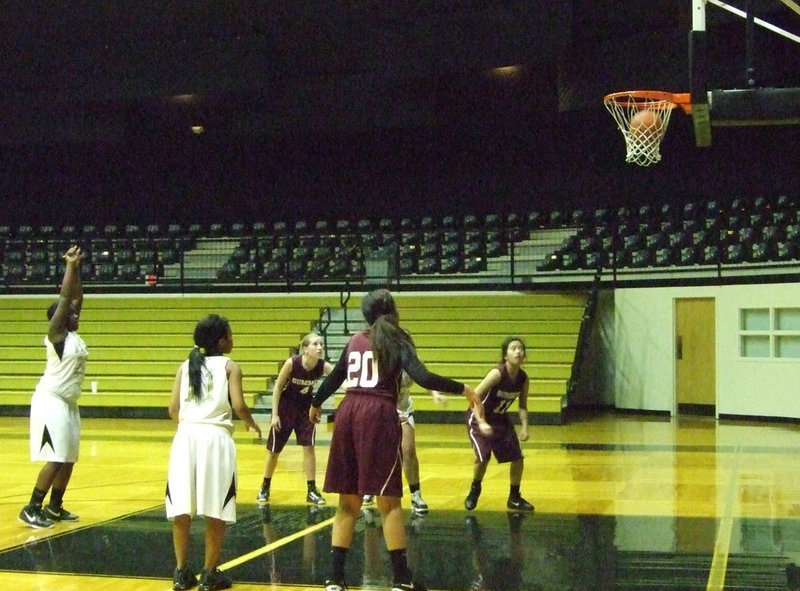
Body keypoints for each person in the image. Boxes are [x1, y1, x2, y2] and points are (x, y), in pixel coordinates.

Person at [309, 288, 492, 591]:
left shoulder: (355, 340)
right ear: (392, 310)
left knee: (347, 501)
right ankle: (401, 579)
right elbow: (424, 377)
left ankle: (335, 579)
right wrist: (465, 389)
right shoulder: (397, 339)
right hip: (378, 412)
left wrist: (315, 403)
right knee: (389, 501)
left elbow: (335, 378)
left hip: (348, 412)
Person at [166, 314, 262, 591]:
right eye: (230, 335)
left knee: (181, 509)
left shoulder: (185, 366)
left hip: (185, 437)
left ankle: (181, 572)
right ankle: (209, 573)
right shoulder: (231, 366)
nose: (233, 339)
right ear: (221, 341)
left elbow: (172, 409)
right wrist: (252, 424)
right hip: (215, 439)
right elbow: (240, 406)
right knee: (215, 508)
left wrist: (189, 427)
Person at [19, 245, 86, 530]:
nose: (76, 314)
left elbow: (77, 296)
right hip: (51, 401)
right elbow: (66, 297)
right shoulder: (56, 334)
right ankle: (31, 507)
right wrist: (69, 266)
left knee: (69, 458)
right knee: (56, 458)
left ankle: (55, 506)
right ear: (59, 318)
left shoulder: (72, 333)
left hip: (69, 403)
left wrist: (79, 269)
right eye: (70, 313)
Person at [257, 332, 333, 506]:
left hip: (306, 409)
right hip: (286, 407)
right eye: (315, 344)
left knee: (309, 447)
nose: (320, 347)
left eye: (321, 344)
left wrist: (353, 389)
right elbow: (277, 388)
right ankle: (265, 486)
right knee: (274, 450)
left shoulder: (322, 365)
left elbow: (338, 377)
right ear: (305, 348)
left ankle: (312, 490)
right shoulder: (292, 363)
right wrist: (274, 414)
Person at [464, 336, 533, 512]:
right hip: (479, 416)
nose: (518, 351)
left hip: (501, 419)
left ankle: (514, 497)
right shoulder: (497, 374)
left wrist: (524, 427)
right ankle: (475, 489)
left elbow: (523, 405)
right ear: (505, 355)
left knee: (518, 458)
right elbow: (473, 397)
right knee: (483, 458)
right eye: (513, 348)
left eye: (520, 348)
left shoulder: (523, 379)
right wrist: (481, 422)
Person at [362, 374, 447, 514]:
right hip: (380, 409)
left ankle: (416, 494)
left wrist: (435, 393)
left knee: (408, 450)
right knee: (375, 451)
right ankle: (371, 487)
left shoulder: (409, 358)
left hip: (403, 410)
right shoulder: (382, 359)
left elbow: (424, 377)